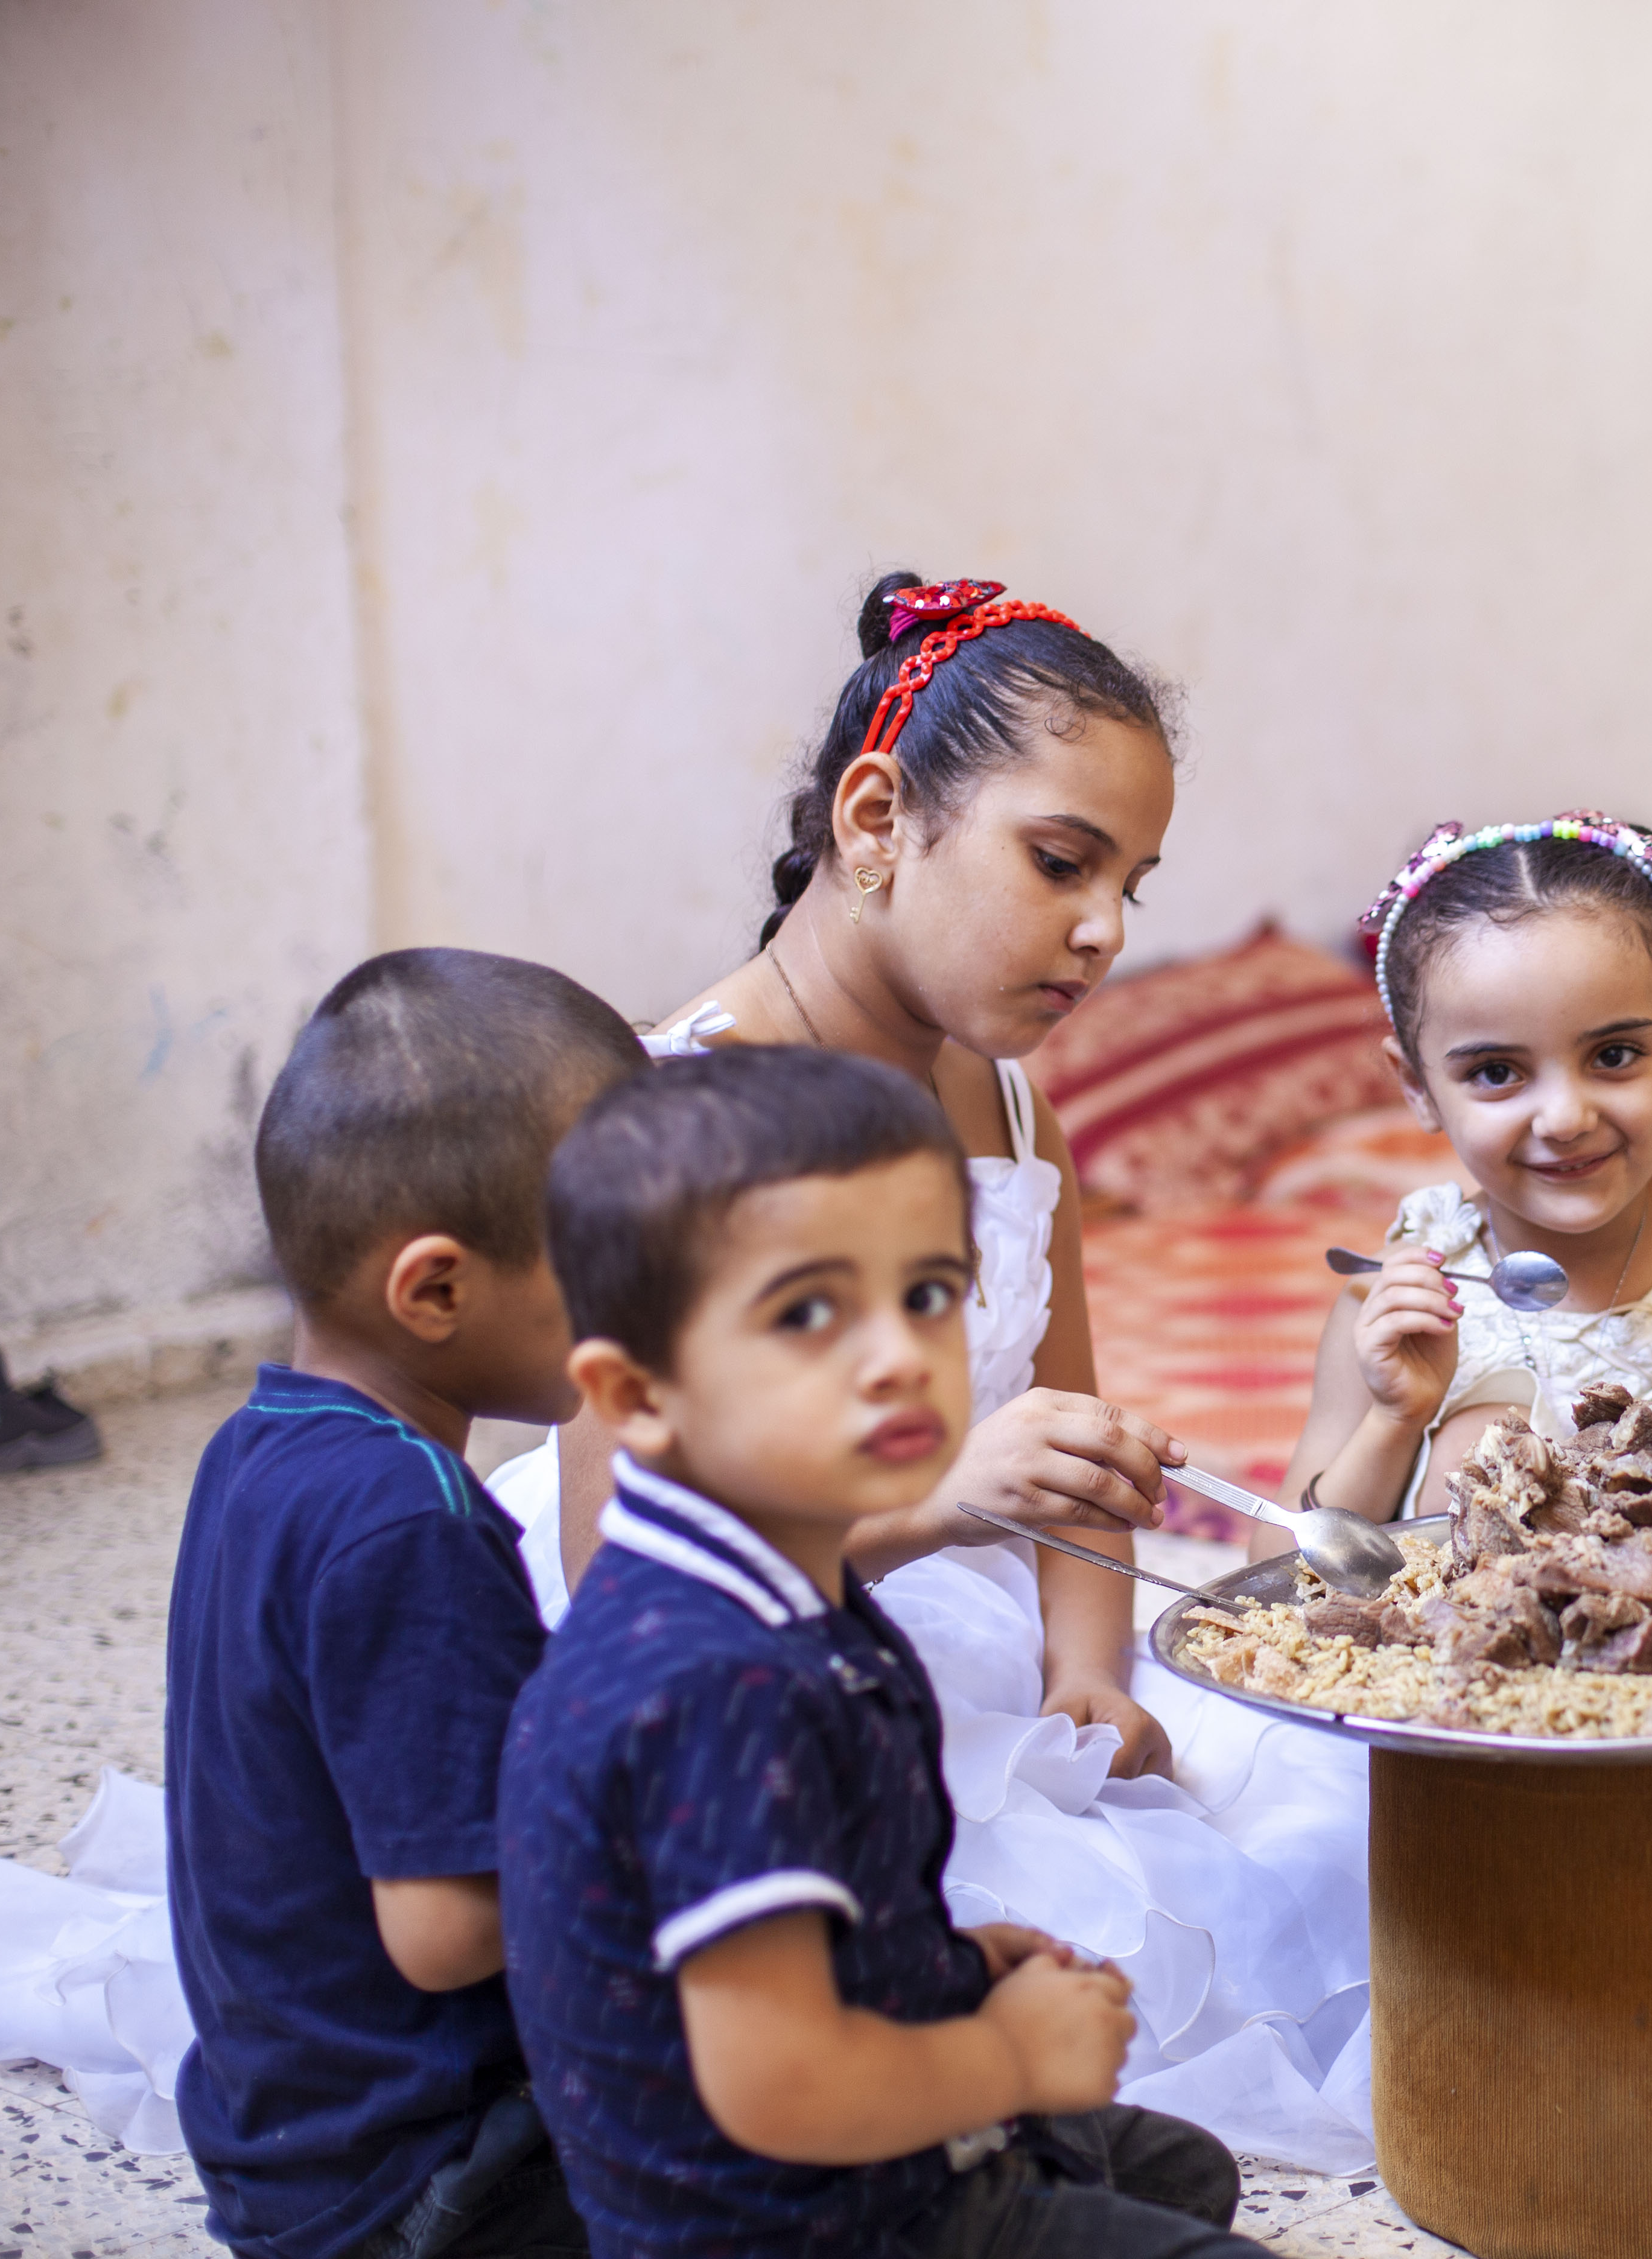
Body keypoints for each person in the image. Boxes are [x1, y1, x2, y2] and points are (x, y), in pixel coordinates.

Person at [486, 575, 1372, 2168]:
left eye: (1134, 886)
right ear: (879, 816)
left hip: (980, 1615)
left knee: (1331, 1821)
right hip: (739, 1662)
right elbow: (615, 1558)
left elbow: (1081, 1450)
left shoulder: (1014, 1108)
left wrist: (1089, 1664)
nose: (1104, 928)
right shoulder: (685, 1116)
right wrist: (935, 1500)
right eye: (1060, 863)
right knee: (1002, 1924)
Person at [501, 1046, 1260, 2259]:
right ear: (639, 1397)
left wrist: (945, 1966)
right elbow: (777, 2089)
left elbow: (819, 1918)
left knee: (1183, 2175)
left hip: (859, 2151)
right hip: (793, 2218)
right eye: (809, 1312)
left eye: (931, 1294)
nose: (902, 1355)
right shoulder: (715, 1686)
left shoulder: (789, 1584)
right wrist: (1004, 2053)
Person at [167, 949, 644, 2258]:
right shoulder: (410, 1529)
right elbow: (449, 1930)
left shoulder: (260, 1452)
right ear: (435, 1288)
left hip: (289, 2148)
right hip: (432, 2182)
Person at [1277, 813, 1652, 1533]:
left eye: (1613, 1057)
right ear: (1416, 1086)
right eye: (1497, 1072)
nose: (1565, 1117)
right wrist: (1393, 1419)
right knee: (1474, 1444)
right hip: (1473, 1638)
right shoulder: (1395, 1299)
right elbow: (1278, 1562)